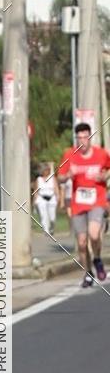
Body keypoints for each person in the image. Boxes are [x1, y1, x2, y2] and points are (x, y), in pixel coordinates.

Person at [58, 122, 110, 287]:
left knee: (94, 235)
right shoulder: (69, 154)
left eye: (85, 137)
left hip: (97, 200)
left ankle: (97, 259)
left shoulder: (101, 154)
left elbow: (109, 169)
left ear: (90, 137)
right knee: (81, 242)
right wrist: (68, 176)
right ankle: (88, 273)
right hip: (78, 203)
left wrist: (105, 177)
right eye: (79, 138)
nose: (83, 141)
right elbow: (59, 177)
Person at [33, 162, 59, 236]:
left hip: (52, 198)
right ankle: (46, 230)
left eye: (47, 170)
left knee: (52, 217)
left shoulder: (52, 178)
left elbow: (56, 188)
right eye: (44, 170)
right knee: (43, 215)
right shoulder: (39, 179)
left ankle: (52, 228)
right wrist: (34, 202)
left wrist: (58, 197)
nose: (45, 171)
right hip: (41, 198)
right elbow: (36, 191)